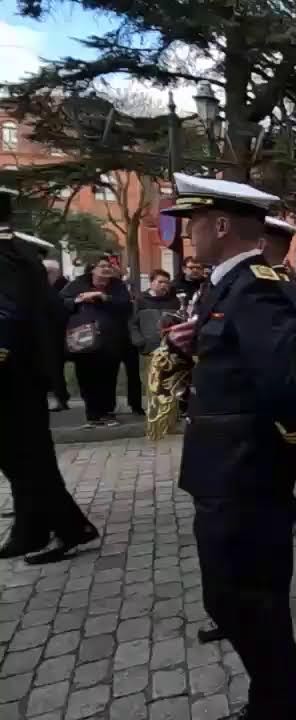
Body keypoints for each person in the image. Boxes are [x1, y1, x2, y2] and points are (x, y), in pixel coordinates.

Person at [159, 173, 296, 719]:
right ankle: (274, 703)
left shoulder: (256, 287)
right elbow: (231, 361)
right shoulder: (224, 284)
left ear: (221, 225)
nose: (187, 235)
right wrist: (189, 347)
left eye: (193, 223)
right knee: (243, 601)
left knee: (242, 600)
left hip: (244, 467)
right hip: (222, 464)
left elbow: (276, 381)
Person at [0, 193, 100, 565]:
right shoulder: (20, 251)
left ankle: (70, 527)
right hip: (25, 370)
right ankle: (30, 529)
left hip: (11, 372)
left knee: (24, 457)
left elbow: (7, 315)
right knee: (21, 454)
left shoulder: (7, 256)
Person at [61, 258, 133, 427]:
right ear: (92, 269)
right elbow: (61, 302)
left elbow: (126, 306)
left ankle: (107, 412)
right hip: (83, 339)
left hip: (111, 339)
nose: (106, 269)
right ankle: (92, 414)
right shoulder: (78, 284)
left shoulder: (118, 286)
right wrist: (79, 300)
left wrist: (103, 297)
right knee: (86, 377)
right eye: (102, 266)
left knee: (108, 376)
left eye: (109, 266)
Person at [129, 269, 182, 392]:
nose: (164, 285)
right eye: (160, 282)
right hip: (149, 349)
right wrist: (139, 341)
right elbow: (132, 323)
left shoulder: (174, 301)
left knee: (169, 383)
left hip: (170, 349)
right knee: (152, 383)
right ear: (151, 282)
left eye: (167, 282)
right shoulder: (140, 300)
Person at [44, 258, 71, 412]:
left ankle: (60, 397)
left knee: (55, 368)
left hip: (53, 335)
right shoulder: (48, 290)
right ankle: (60, 397)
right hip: (51, 335)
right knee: (54, 368)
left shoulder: (51, 289)